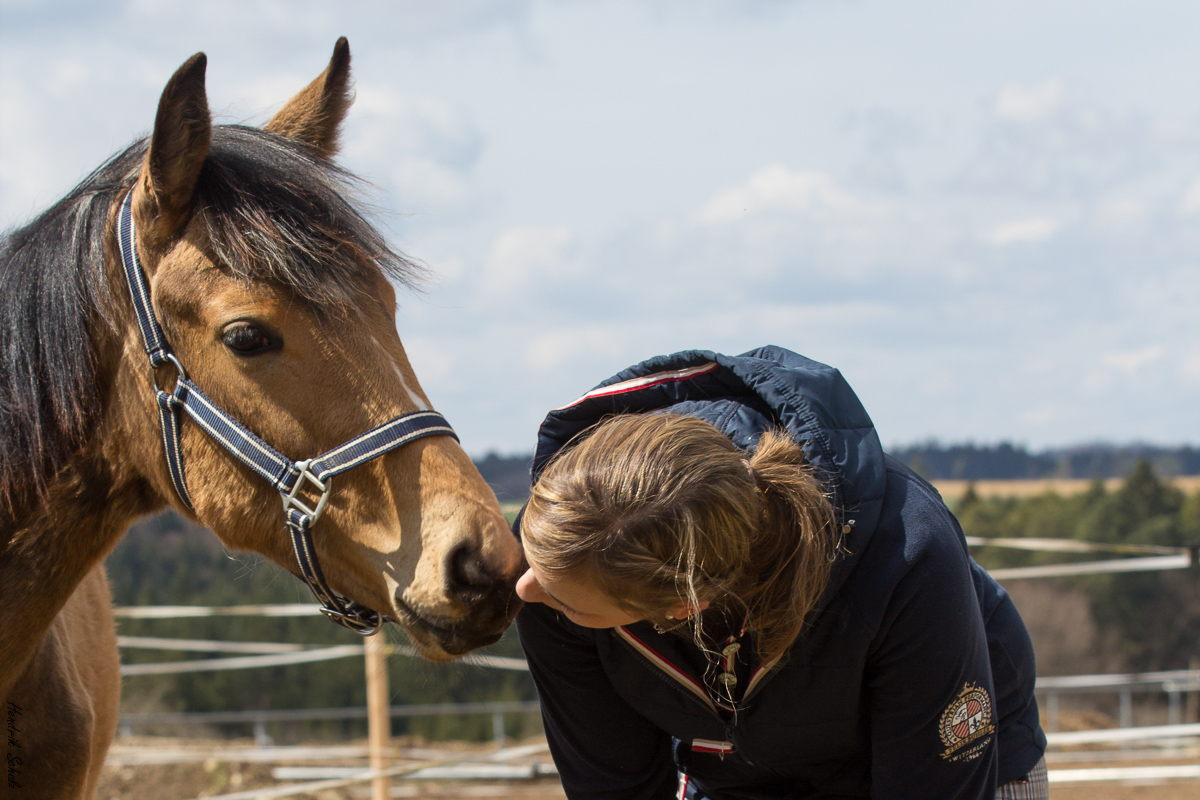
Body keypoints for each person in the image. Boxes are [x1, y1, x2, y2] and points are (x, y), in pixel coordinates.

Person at [513, 346, 1048, 800]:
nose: (525, 587)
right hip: (731, 773)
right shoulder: (561, 557)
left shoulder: (907, 559)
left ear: (683, 607)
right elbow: (612, 786)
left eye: (568, 603)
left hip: (942, 765)